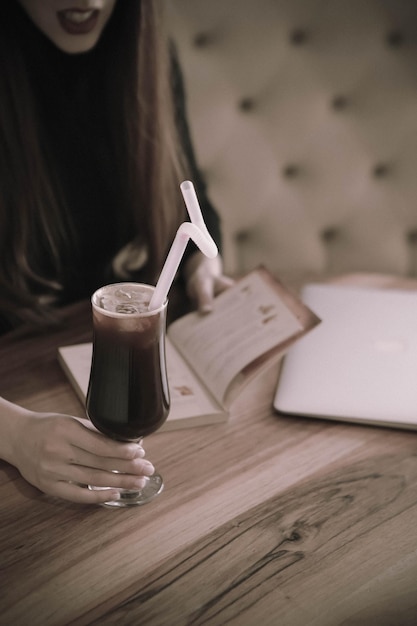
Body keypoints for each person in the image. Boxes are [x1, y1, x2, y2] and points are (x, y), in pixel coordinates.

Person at [0, 0, 233, 504]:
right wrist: (13, 433)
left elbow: (188, 207)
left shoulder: (144, 57)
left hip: (87, 349)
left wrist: (201, 267)